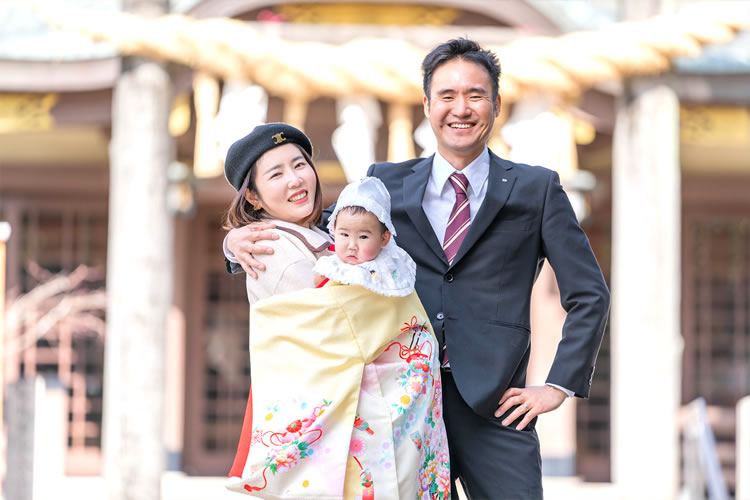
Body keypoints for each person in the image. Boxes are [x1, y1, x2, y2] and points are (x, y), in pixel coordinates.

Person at [226, 39, 610, 500]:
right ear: (427, 105)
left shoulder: (536, 188)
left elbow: (589, 294)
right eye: (447, 95)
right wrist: (234, 243)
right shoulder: (384, 182)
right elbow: (321, 231)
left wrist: (558, 385)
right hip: (398, 410)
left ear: (496, 104)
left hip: (496, 410)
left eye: (475, 95)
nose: (460, 108)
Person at [222, 123, 450, 499]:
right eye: (276, 174)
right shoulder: (272, 246)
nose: (295, 179)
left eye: (300, 165)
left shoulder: (331, 230)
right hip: (348, 425)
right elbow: (336, 334)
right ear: (253, 196)